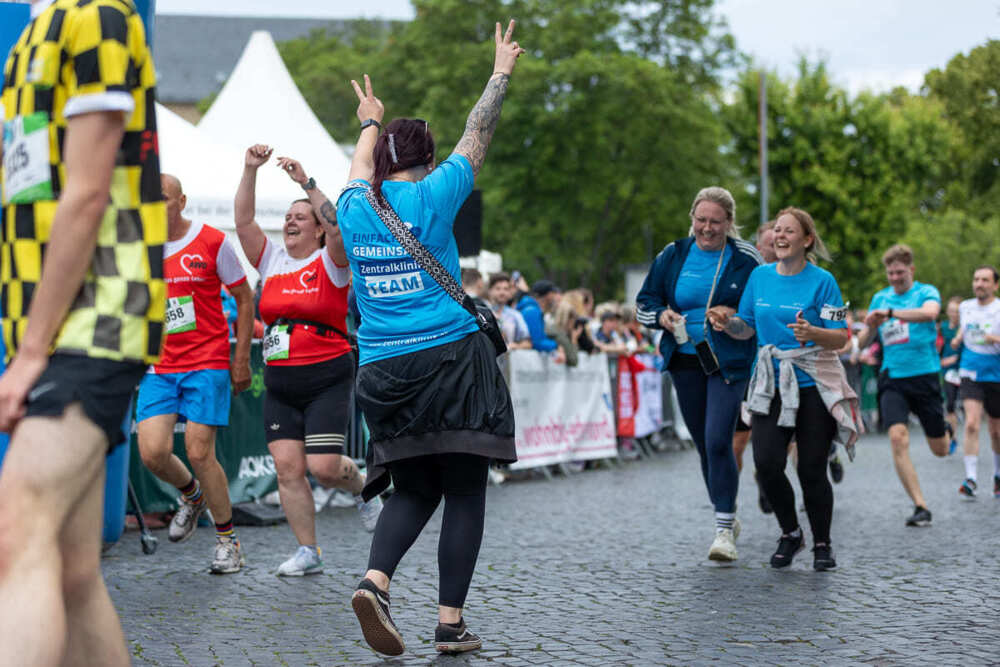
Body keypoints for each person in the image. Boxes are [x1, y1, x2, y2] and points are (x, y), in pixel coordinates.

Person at [337, 21, 523, 656]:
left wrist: (369, 120)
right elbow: (480, 132)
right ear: (427, 158)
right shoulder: (436, 194)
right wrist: (499, 73)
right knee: (464, 489)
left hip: (382, 370)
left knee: (414, 487)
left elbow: (359, 165)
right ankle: (449, 623)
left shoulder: (353, 207)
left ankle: (374, 581)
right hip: (450, 360)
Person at [0, 2, 164, 664]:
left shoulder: (98, 16)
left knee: (14, 533)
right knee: (71, 574)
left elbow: (88, 193)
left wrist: (30, 350)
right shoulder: (32, 32)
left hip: (98, 316)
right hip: (52, 324)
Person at [234, 144, 383, 576]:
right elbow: (243, 221)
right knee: (287, 469)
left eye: (301, 217)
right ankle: (308, 551)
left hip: (326, 376)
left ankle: (364, 489)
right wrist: (250, 169)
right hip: (280, 380)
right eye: (287, 217)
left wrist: (306, 183)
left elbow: (338, 227)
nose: (291, 221)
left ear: (318, 229)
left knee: (323, 468)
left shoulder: (331, 261)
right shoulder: (272, 260)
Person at [709, 207, 853, 571]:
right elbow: (747, 326)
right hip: (770, 382)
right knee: (767, 464)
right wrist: (728, 323)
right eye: (777, 230)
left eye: (789, 231)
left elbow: (841, 338)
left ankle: (822, 543)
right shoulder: (759, 277)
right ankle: (791, 532)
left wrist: (813, 332)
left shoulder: (823, 282)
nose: (780, 236)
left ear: (807, 240)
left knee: (811, 469)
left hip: (812, 382)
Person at [637, 186, 763, 562]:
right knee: (704, 445)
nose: (707, 228)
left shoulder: (745, 258)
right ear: (692, 218)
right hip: (685, 359)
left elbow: (760, 307)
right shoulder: (673, 254)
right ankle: (726, 512)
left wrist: (734, 317)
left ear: (729, 222)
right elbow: (644, 303)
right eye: (701, 220)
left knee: (718, 439)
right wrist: (661, 316)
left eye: (716, 222)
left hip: (729, 361)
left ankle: (723, 530)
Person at [135, 174, 254, 573]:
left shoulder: (212, 241)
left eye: (163, 198)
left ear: (182, 201)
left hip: (207, 361)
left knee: (200, 451)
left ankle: (228, 541)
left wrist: (241, 359)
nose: (156, 205)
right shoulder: (141, 246)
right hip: (160, 366)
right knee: (152, 453)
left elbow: (244, 297)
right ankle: (192, 495)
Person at [854, 244, 952, 526]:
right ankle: (920, 506)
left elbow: (931, 313)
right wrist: (869, 328)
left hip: (925, 375)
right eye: (891, 273)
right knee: (897, 437)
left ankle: (945, 429)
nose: (895, 278)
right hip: (892, 377)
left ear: (911, 270)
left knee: (940, 449)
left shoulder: (925, 292)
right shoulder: (880, 298)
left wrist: (891, 313)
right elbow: (864, 340)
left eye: (900, 272)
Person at [952, 267, 1000, 499]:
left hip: (995, 372)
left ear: (995, 285)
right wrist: (958, 338)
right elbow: (965, 329)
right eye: (976, 279)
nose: (979, 284)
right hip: (970, 369)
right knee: (971, 423)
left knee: (996, 431)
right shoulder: (965, 307)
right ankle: (970, 478)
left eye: (985, 280)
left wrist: (993, 339)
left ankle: (998, 474)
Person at [486, 272, 532, 349]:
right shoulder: (482, 313)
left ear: (510, 292)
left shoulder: (516, 315)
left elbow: (528, 343)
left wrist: (516, 346)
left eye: (506, 289)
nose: (502, 292)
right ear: (490, 291)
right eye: (498, 288)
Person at [940, 296, 963, 445]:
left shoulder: (964, 327)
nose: (953, 314)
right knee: (950, 405)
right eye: (951, 310)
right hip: (948, 371)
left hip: (964, 369)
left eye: (956, 311)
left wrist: (956, 358)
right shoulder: (942, 327)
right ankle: (952, 437)